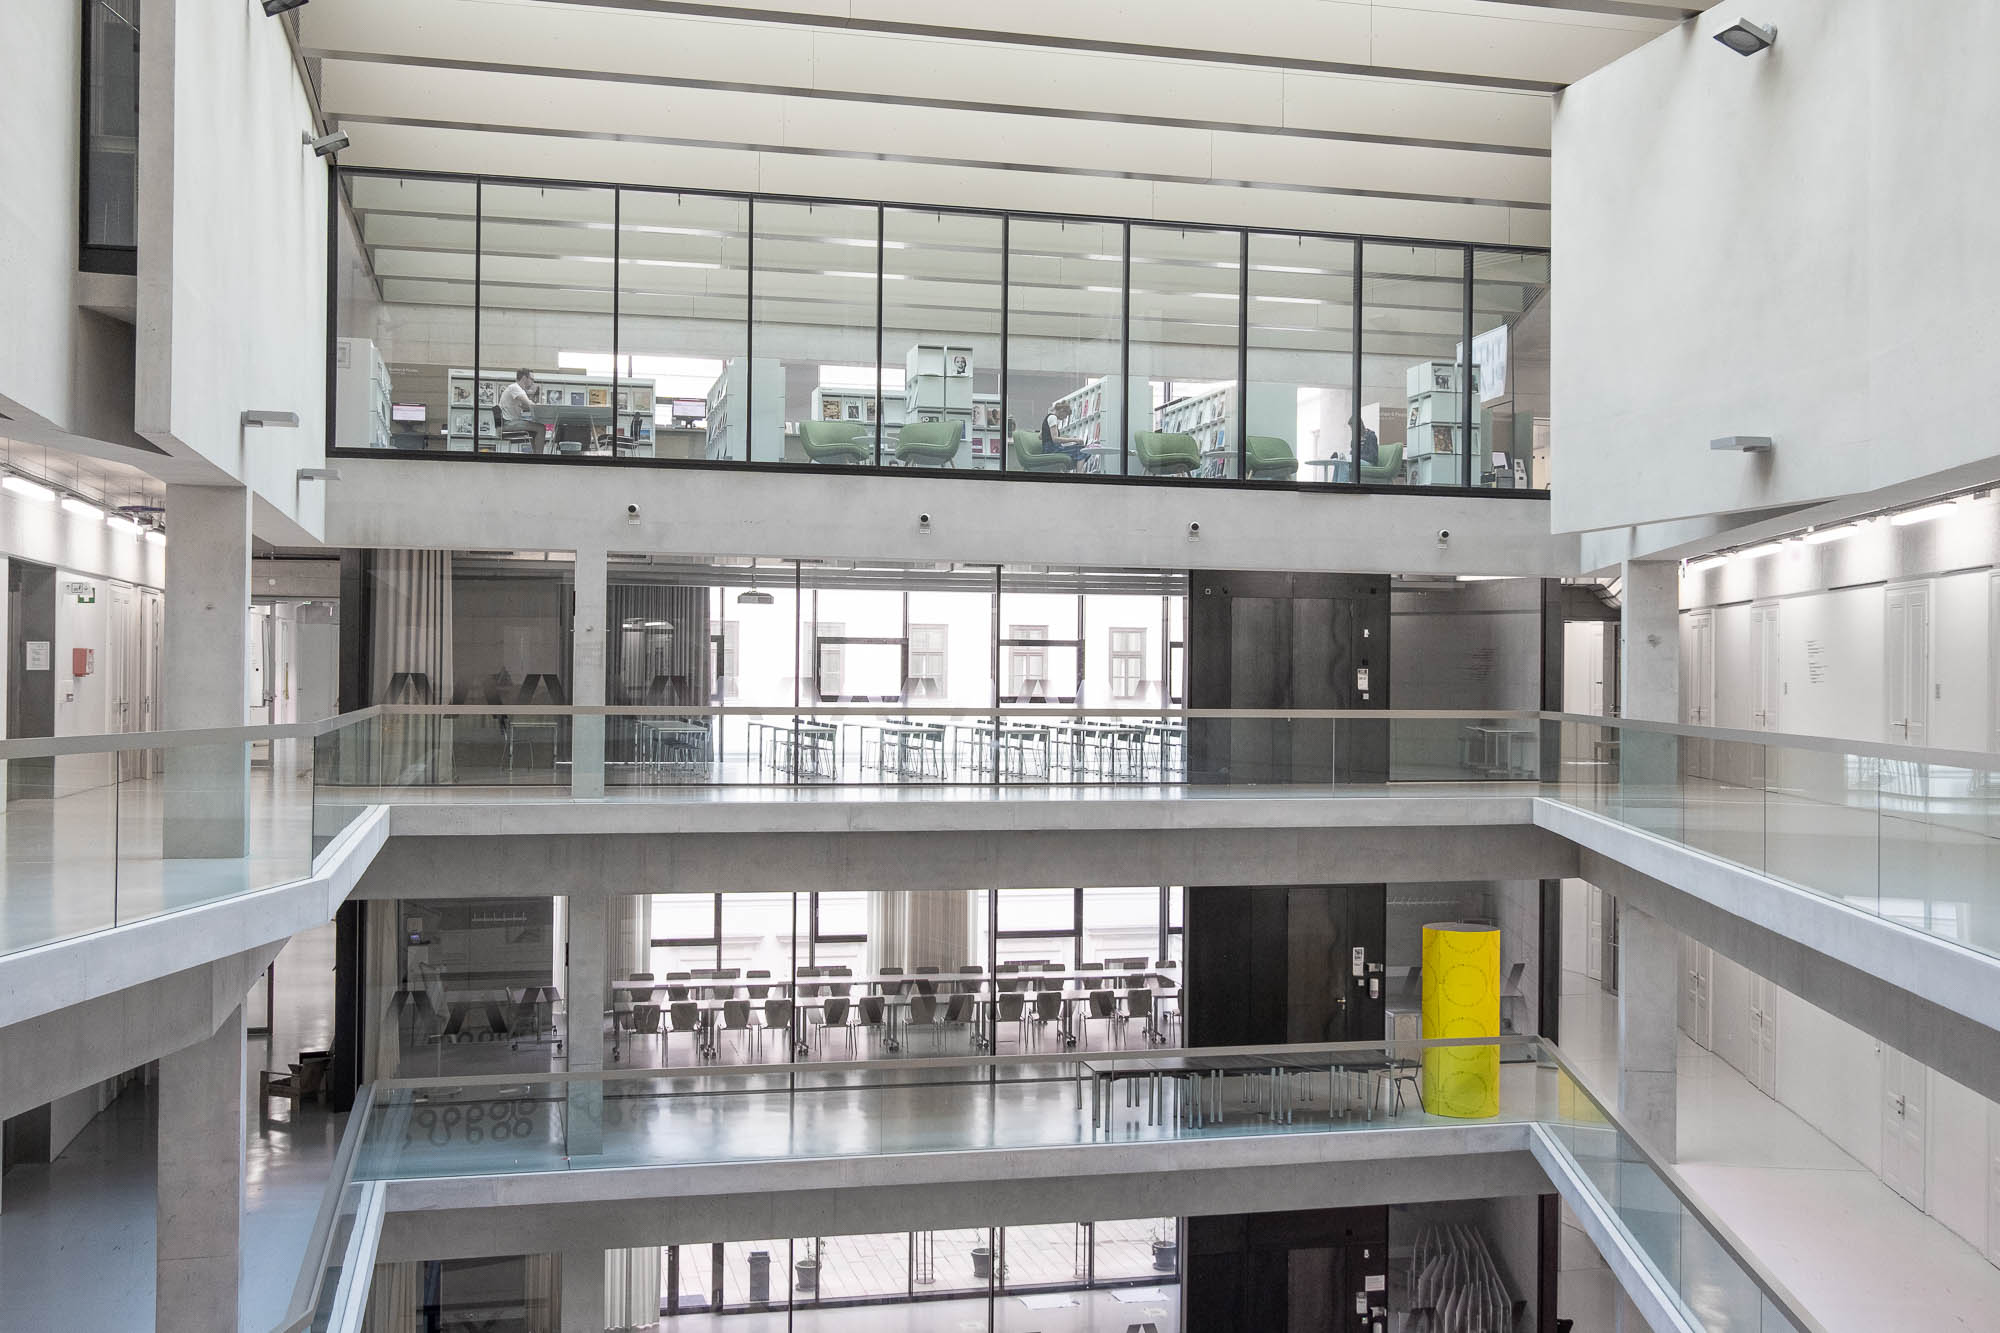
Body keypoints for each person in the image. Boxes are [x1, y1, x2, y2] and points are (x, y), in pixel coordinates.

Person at [497, 369, 540, 451]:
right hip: (508, 424)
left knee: (534, 430)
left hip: (507, 422)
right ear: (524, 378)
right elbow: (529, 404)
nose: (533, 382)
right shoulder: (515, 388)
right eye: (532, 379)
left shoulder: (515, 388)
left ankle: (536, 456)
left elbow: (525, 406)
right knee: (541, 428)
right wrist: (536, 405)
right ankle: (540, 458)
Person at [1040, 401, 1089, 466]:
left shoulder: (1049, 417)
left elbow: (1040, 436)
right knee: (1082, 450)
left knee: (1081, 449)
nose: (1065, 418)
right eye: (1066, 415)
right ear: (1062, 410)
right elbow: (1055, 439)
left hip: (1049, 448)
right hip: (1052, 450)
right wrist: (1075, 440)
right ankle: (1080, 473)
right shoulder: (1053, 418)